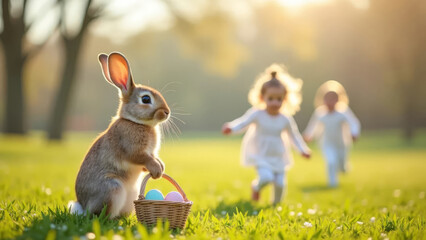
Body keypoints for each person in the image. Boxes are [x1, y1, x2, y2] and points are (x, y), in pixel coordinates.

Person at [222, 64, 311, 204]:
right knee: (266, 178)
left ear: (284, 99)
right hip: (261, 154)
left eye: (279, 99)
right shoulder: (257, 114)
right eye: (271, 98)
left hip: (279, 155)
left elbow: (294, 136)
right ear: (262, 97)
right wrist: (231, 128)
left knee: (280, 184)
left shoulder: (285, 119)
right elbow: (243, 122)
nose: (275, 102)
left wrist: (303, 150)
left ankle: (275, 206)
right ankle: (256, 187)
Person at [303, 80, 360, 187]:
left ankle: (344, 167)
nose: (330, 101)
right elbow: (314, 126)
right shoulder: (320, 113)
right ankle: (332, 184)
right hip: (326, 144)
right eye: (327, 98)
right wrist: (309, 135)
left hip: (342, 144)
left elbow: (353, 123)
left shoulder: (342, 112)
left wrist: (354, 133)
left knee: (342, 167)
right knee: (331, 162)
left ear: (339, 99)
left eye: (333, 98)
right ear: (322, 99)